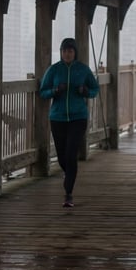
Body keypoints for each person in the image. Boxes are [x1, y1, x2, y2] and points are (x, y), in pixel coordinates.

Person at [39, 37, 99, 208]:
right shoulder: (54, 70)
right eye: (64, 51)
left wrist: (85, 91)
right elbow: (43, 92)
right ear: (61, 52)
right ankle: (70, 174)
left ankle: (68, 193)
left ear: (75, 53)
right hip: (57, 118)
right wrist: (55, 90)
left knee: (71, 153)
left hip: (78, 117)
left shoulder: (83, 70)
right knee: (62, 156)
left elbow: (95, 89)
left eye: (70, 51)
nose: (67, 54)